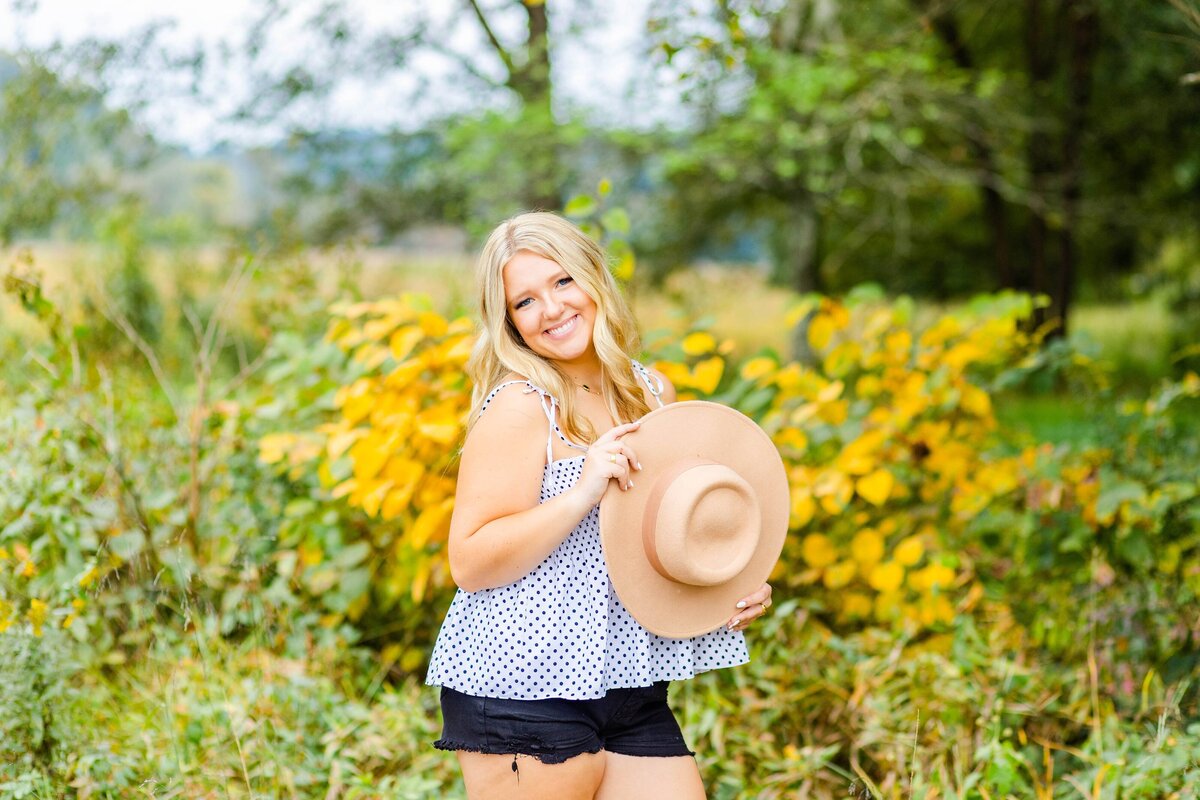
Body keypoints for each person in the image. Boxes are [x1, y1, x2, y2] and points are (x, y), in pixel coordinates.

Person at [426, 211, 774, 799]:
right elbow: (471, 562)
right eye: (525, 302)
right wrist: (581, 492)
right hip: (521, 686)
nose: (552, 309)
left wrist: (729, 583)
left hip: (627, 684)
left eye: (562, 282)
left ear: (594, 279)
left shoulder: (651, 391)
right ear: (509, 323)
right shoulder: (520, 406)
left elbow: (665, 526)